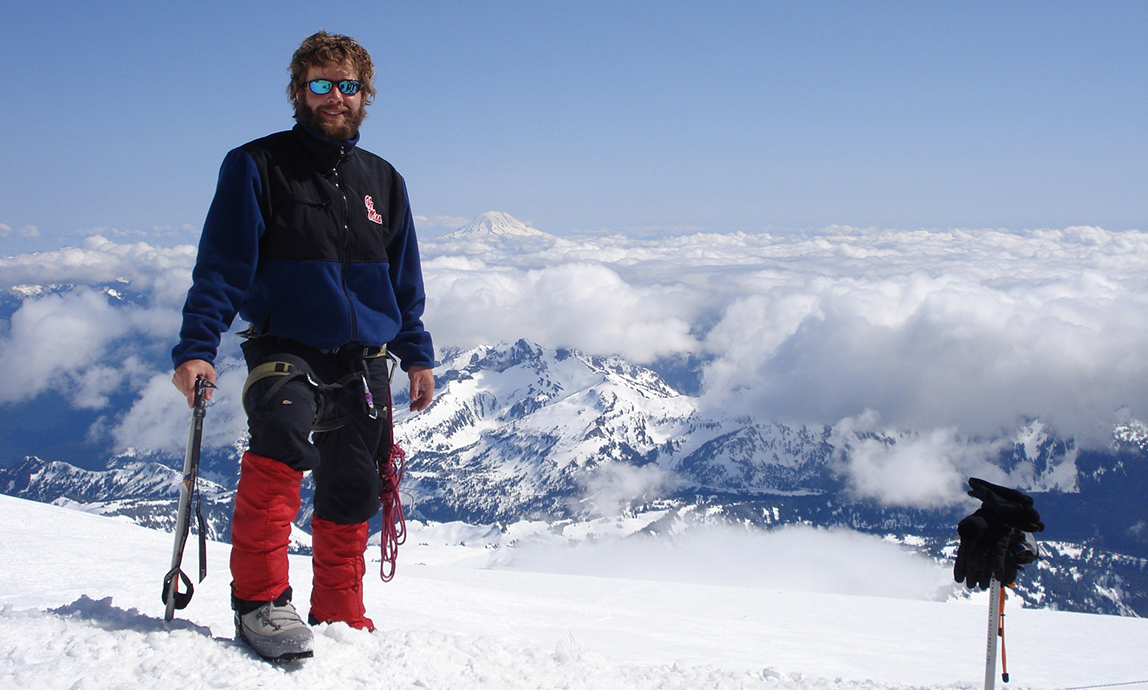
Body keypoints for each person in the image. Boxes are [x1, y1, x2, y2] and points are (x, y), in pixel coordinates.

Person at [171, 31, 435, 662]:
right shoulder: (256, 165)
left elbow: (404, 279)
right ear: (298, 92)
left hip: (366, 355)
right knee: (282, 447)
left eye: (348, 86)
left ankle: (338, 607)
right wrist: (196, 346)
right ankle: (261, 603)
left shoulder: (385, 181)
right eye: (321, 84)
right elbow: (222, 267)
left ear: (365, 95)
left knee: (356, 480)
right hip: (285, 344)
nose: (335, 97)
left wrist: (417, 352)